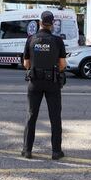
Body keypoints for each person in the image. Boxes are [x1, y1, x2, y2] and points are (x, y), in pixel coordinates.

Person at [22, 11, 67, 160]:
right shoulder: (57, 41)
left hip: (34, 82)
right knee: (55, 117)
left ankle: (27, 150)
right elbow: (62, 64)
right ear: (52, 23)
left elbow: (26, 63)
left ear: (40, 22)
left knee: (31, 116)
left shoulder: (31, 39)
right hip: (52, 82)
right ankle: (56, 152)